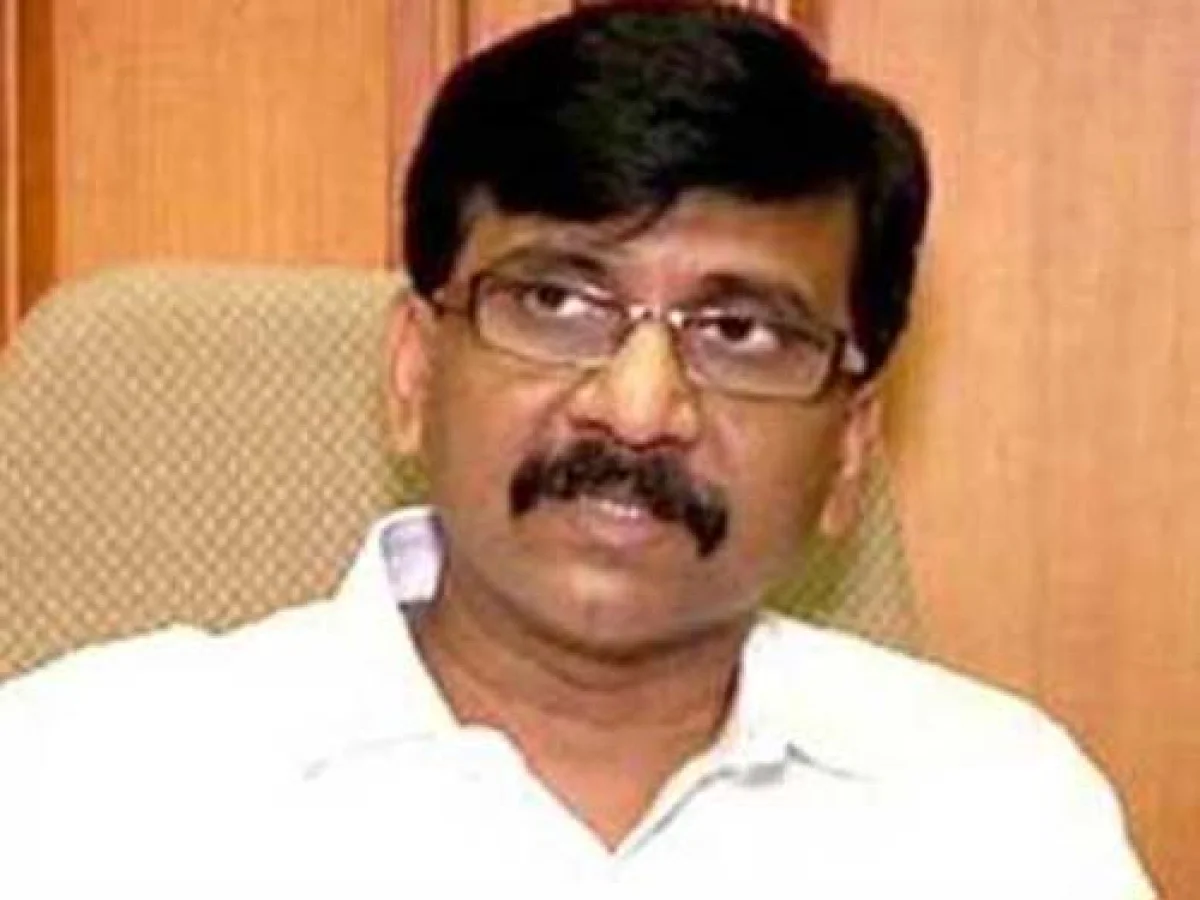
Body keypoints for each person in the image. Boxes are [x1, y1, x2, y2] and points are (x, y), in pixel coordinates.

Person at [0, 2, 1156, 896]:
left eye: (739, 331)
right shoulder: (80, 783)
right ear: (413, 373)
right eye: (556, 302)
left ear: (849, 448)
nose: (639, 407)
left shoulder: (1001, 819)